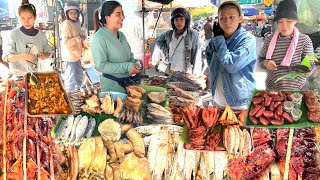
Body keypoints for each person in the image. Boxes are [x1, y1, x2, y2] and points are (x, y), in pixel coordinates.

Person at [206, 1, 257, 110]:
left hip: (240, 102)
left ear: (240, 18)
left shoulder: (248, 39)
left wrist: (219, 41)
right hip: (218, 100)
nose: (227, 21)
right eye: (222, 18)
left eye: (231, 17)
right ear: (218, 20)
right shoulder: (215, 40)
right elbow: (209, 59)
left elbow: (232, 65)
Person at [259, 0, 314, 91]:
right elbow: (260, 59)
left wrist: (307, 70)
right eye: (280, 21)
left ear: (295, 21)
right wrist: (265, 63)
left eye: (289, 21)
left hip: (297, 90)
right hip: (273, 89)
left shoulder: (305, 40)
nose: (284, 25)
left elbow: (311, 64)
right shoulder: (269, 39)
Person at [91, 1, 141, 93]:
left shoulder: (121, 35)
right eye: (118, 14)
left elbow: (129, 56)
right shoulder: (99, 38)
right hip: (112, 88)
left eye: (123, 13)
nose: (123, 17)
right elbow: (100, 66)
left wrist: (135, 64)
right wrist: (127, 67)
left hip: (128, 85)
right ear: (107, 18)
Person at [2, 0, 52, 80]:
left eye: (29, 18)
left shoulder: (41, 35)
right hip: (19, 76)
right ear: (19, 18)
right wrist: (23, 56)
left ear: (35, 17)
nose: (26, 21)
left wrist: (44, 55)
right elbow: (6, 57)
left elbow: (48, 52)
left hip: (36, 74)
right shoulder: (13, 34)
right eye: (22, 18)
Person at [155, 8, 203, 75]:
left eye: (181, 19)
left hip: (184, 73)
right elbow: (157, 40)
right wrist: (166, 52)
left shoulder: (192, 35)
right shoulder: (169, 34)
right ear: (173, 21)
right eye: (176, 19)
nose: (179, 22)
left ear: (186, 20)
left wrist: (196, 74)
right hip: (170, 71)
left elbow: (197, 56)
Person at [60, 1, 85, 92]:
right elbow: (66, 42)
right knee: (71, 79)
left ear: (78, 13)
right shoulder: (66, 24)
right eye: (71, 13)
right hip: (69, 57)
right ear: (67, 14)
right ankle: (71, 98)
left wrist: (83, 46)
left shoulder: (77, 22)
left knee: (79, 76)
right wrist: (79, 38)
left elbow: (79, 37)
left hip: (77, 55)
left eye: (75, 13)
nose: (74, 15)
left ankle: (78, 95)